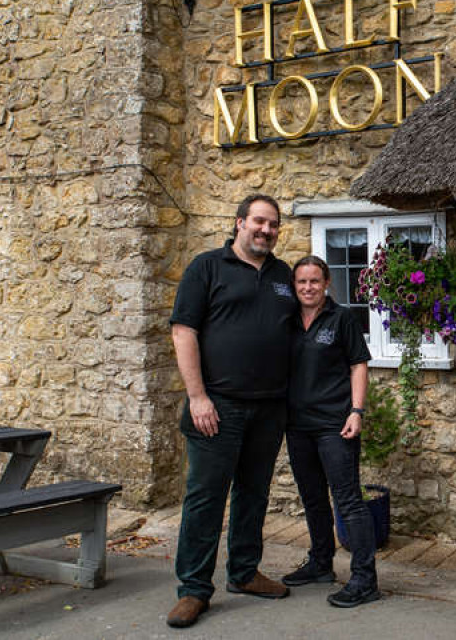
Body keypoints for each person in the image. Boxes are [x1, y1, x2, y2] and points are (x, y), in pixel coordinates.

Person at [166, 194, 297, 629]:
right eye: (259, 221)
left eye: (273, 224)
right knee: (205, 498)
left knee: (253, 494)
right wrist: (197, 396)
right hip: (216, 407)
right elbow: (184, 332)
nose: (266, 229)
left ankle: (244, 573)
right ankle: (193, 590)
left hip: (269, 408)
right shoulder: (206, 267)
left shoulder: (283, 276)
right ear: (239, 223)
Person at [280, 255, 380, 608]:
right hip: (297, 426)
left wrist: (357, 411)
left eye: (314, 281)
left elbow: (358, 365)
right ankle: (321, 564)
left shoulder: (342, 319)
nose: (308, 287)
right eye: (301, 282)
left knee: (348, 500)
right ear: (295, 286)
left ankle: (365, 579)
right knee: (312, 499)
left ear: (326, 284)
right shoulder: (288, 320)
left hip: (335, 425)